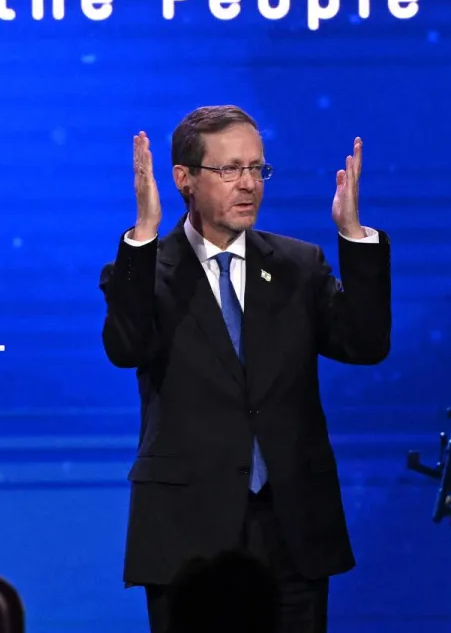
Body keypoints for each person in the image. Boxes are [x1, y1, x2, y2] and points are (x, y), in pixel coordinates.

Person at [100, 105, 392, 633]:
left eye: (257, 168)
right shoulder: (147, 272)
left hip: (292, 527)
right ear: (184, 179)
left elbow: (364, 344)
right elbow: (127, 347)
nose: (248, 184)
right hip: (187, 534)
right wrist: (143, 232)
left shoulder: (297, 266)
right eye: (229, 169)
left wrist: (353, 237)